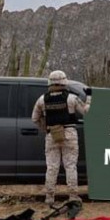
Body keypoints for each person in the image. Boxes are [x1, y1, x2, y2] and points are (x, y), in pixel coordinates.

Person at [31, 70, 91, 205]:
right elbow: (86, 111)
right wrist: (89, 97)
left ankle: (49, 197)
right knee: (70, 166)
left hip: (52, 134)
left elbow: (35, 118)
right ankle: (73, 196)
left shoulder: (42, 99)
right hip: (69, 133)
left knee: (52, 167)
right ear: (64, 82)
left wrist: (46, 128)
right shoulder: (72, 98)